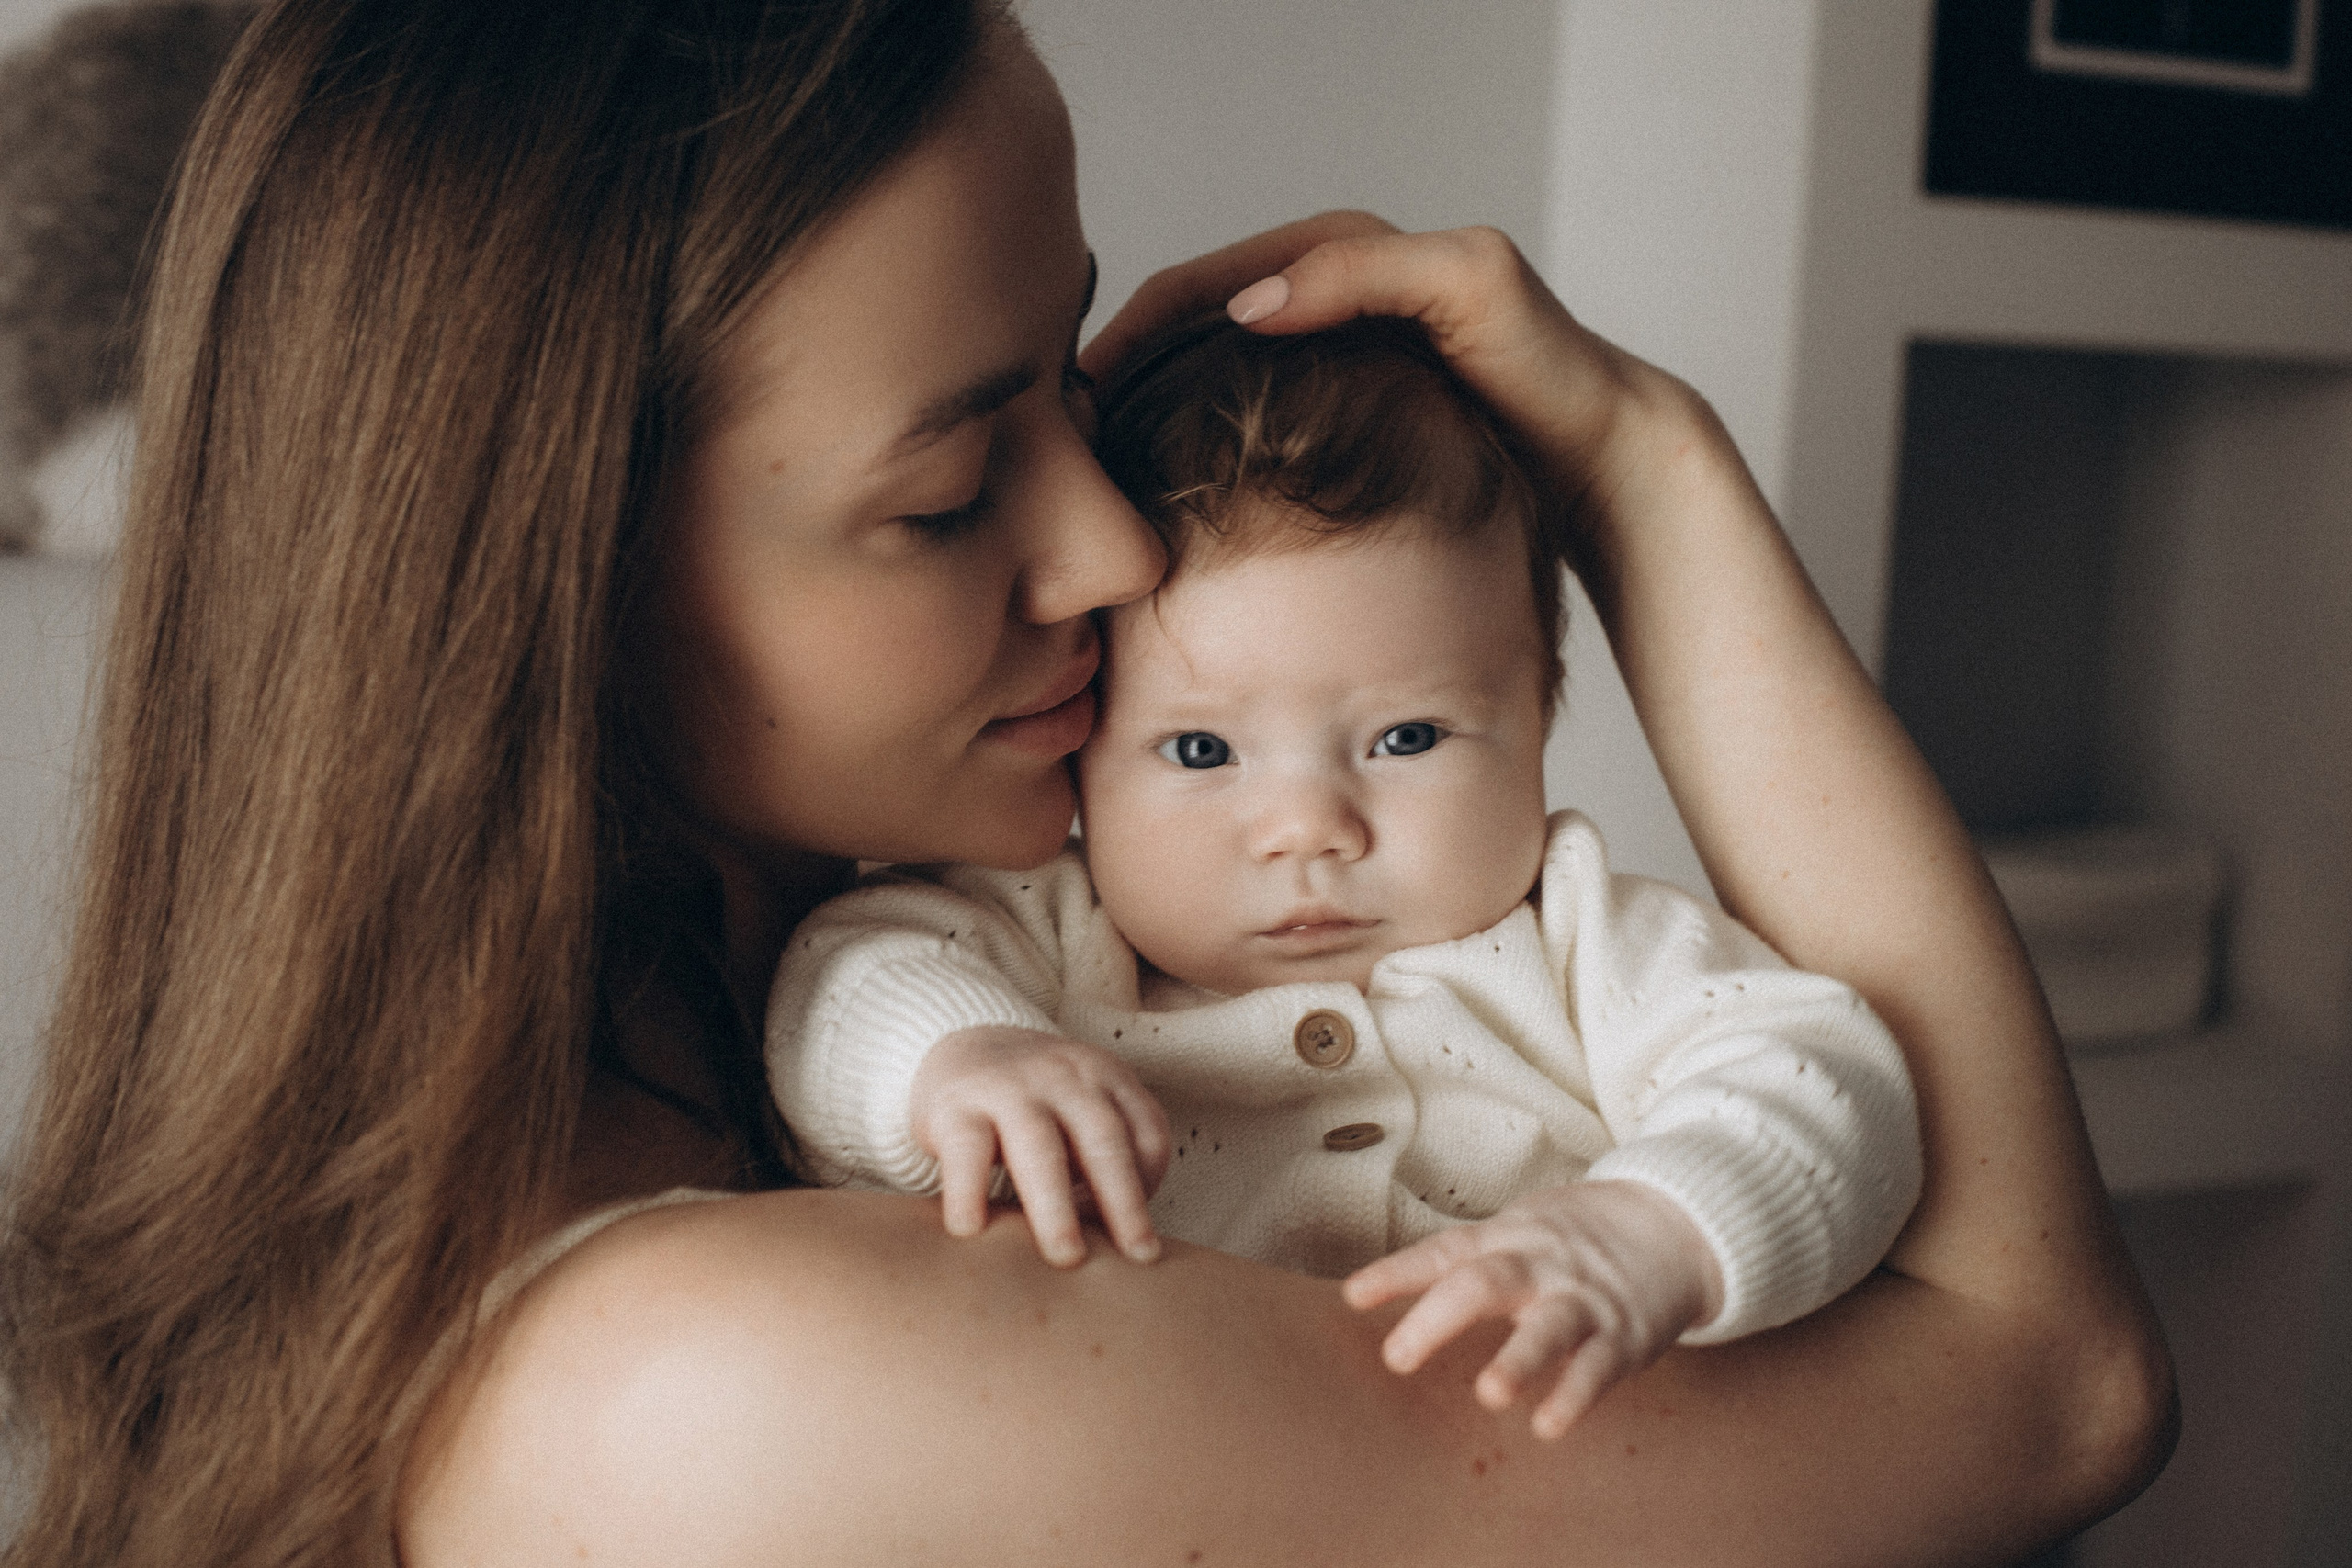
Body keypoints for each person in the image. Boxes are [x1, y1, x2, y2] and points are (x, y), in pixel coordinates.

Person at [0, 2, 2174, 1565]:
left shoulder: (737, 1119)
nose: (1122, 547)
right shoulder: (718, 1386)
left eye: (1069, 379)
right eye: (951, 487)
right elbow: (2045, 1378)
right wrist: (1637, 459)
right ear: (545, 596)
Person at [764, 314, 1925, 1439]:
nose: (1308, 831)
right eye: (1202, 752)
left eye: (1407, 738)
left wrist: (1651, 1229)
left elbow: (1825, 1079)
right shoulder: (1050, 934)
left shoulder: (1585, 943)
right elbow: (847, 967)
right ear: (1083, 748)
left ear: (1538, 718)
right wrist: (961, 1057)